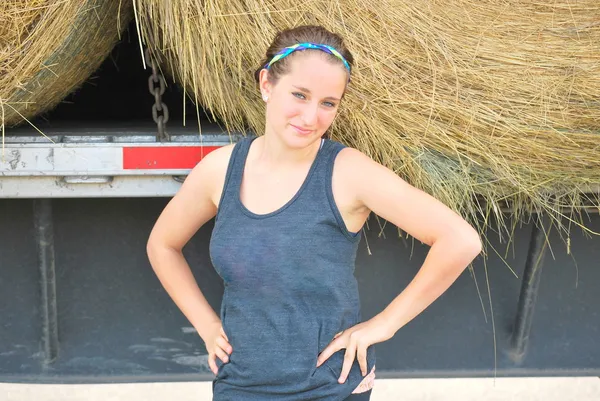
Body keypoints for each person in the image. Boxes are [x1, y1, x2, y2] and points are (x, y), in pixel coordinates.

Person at [146, 25, 482, 401]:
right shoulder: (220, 170)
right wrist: (207, 326)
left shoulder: (348, 172)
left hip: (328, 387)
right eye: (300, 95)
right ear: (266, 85)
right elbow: (163, 244)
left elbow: (460, 240)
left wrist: (382, 326)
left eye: (328, 103)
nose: (310, 117)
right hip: (241, 384)